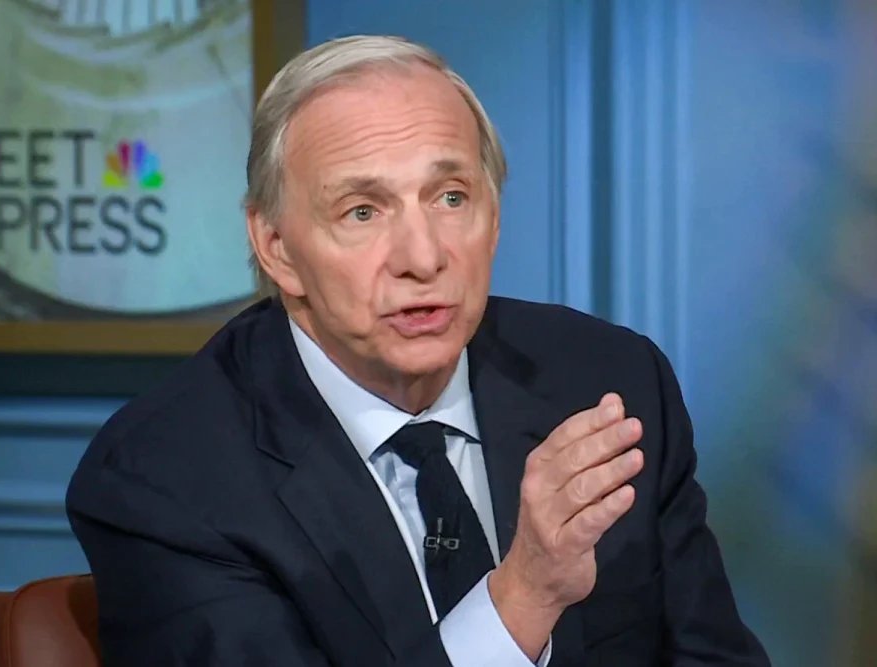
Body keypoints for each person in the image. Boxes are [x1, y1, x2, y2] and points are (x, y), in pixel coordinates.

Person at [67, 35, 771, 666]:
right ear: (276, 248)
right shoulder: (167, 479)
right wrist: (523, 596)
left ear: (494, 217)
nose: (423, 257)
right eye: (362, 211)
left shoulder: (607, 382)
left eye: (451, 198)